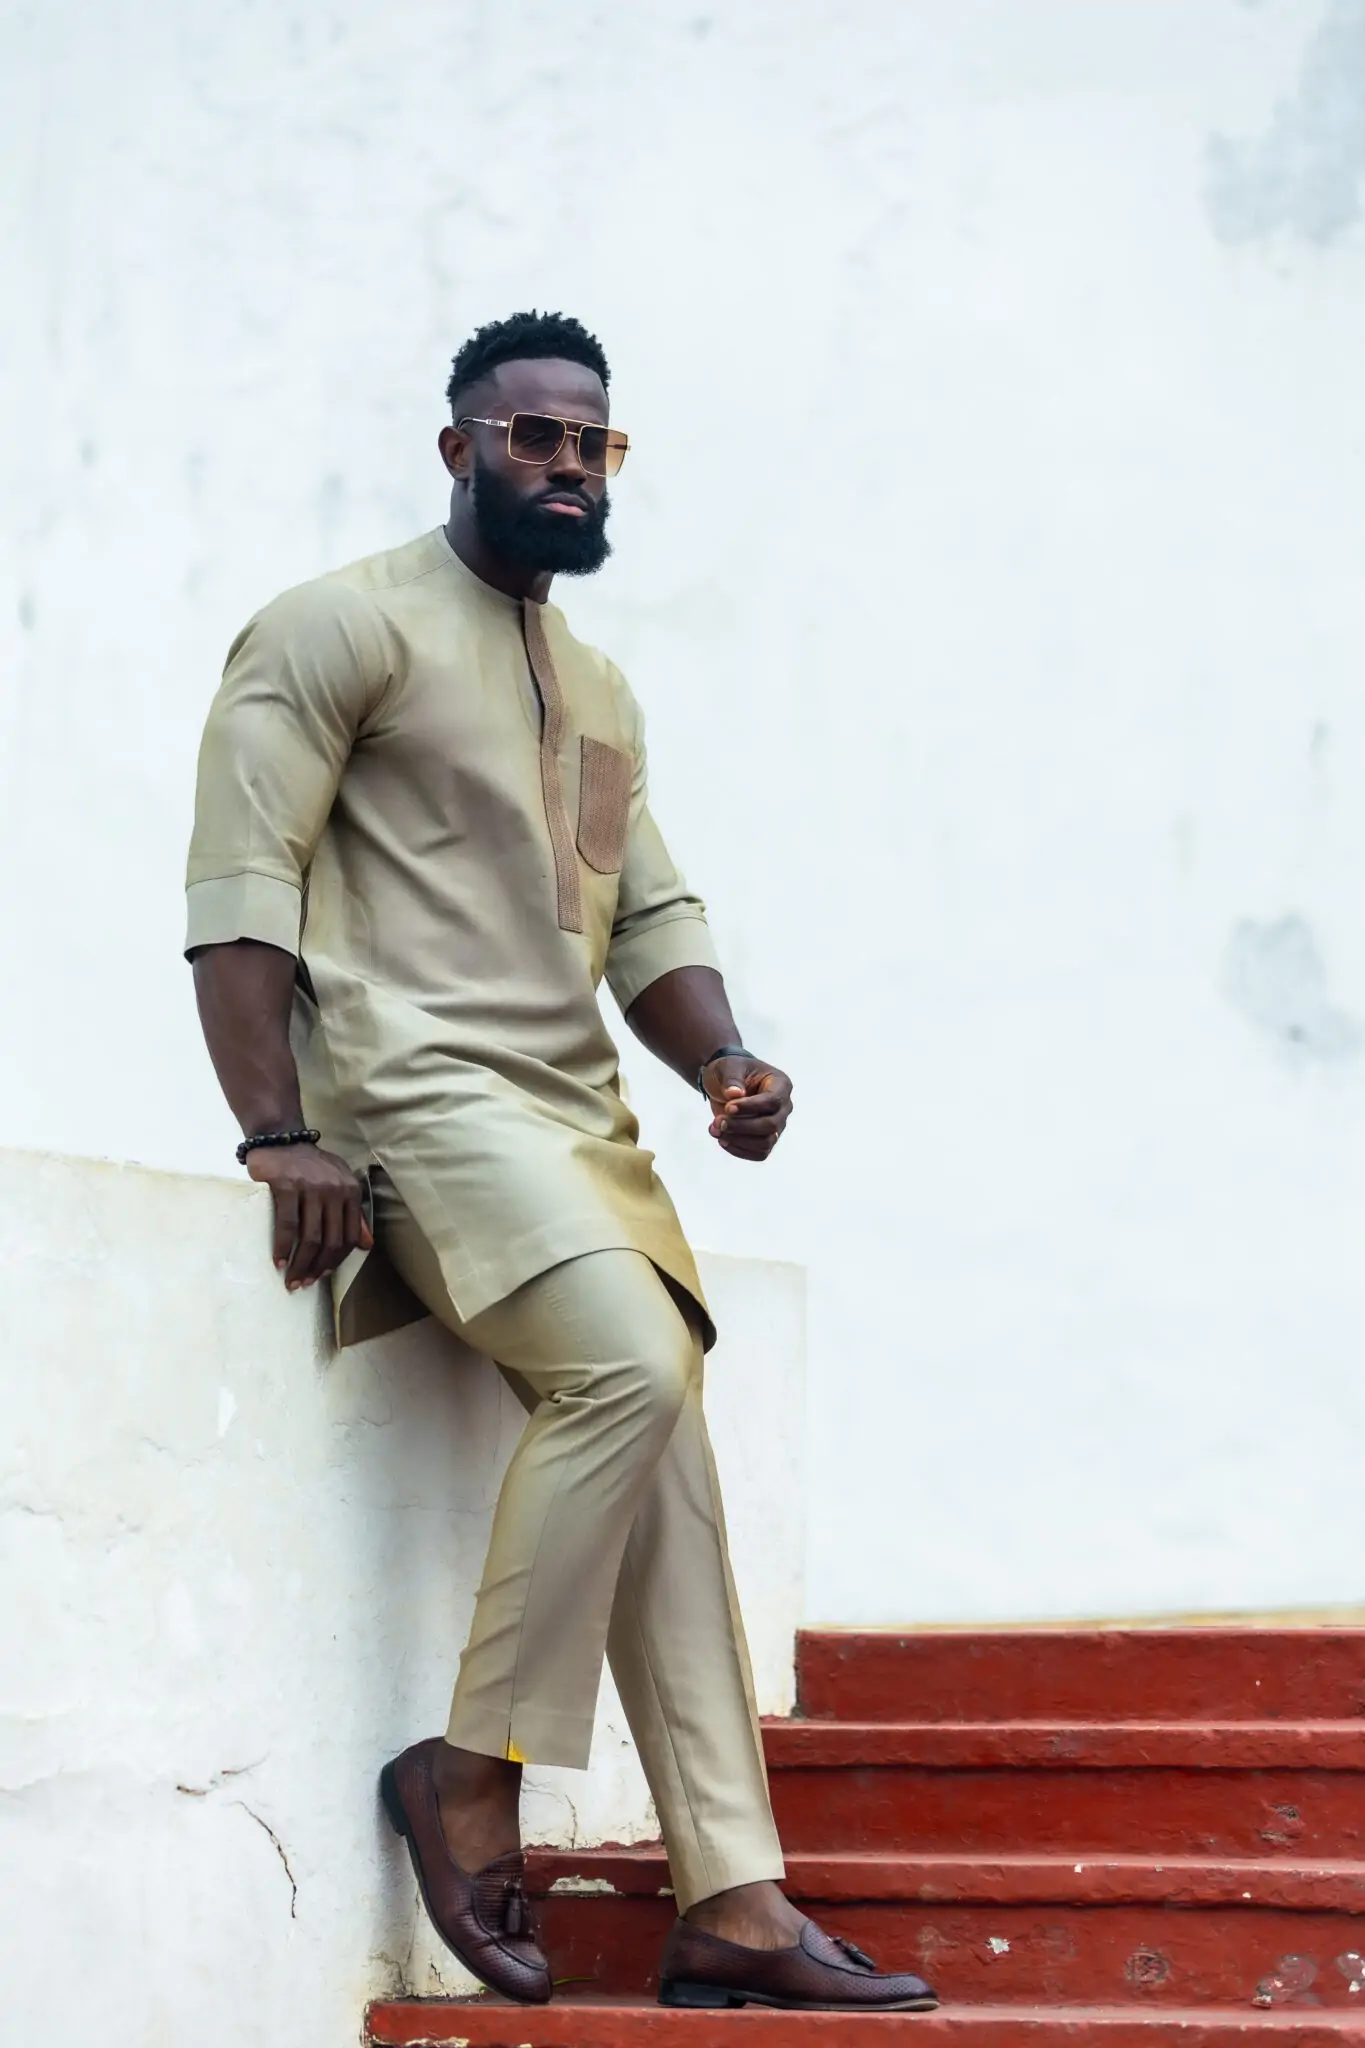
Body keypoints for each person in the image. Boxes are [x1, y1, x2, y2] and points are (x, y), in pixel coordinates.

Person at [185, 310, 934, 2015]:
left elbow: (649, 913)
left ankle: (733, 1898)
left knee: (666, 1444)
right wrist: (278, 1130)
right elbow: (239, 882)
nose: (569, 465)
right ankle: (469, 1773)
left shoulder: (596, 686)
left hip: (580, 1127)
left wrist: (723, 1059)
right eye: (533, 436)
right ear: (460, 448)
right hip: (415, 1103)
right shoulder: (336, 628)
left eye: (593, 441)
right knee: (628, 1366)